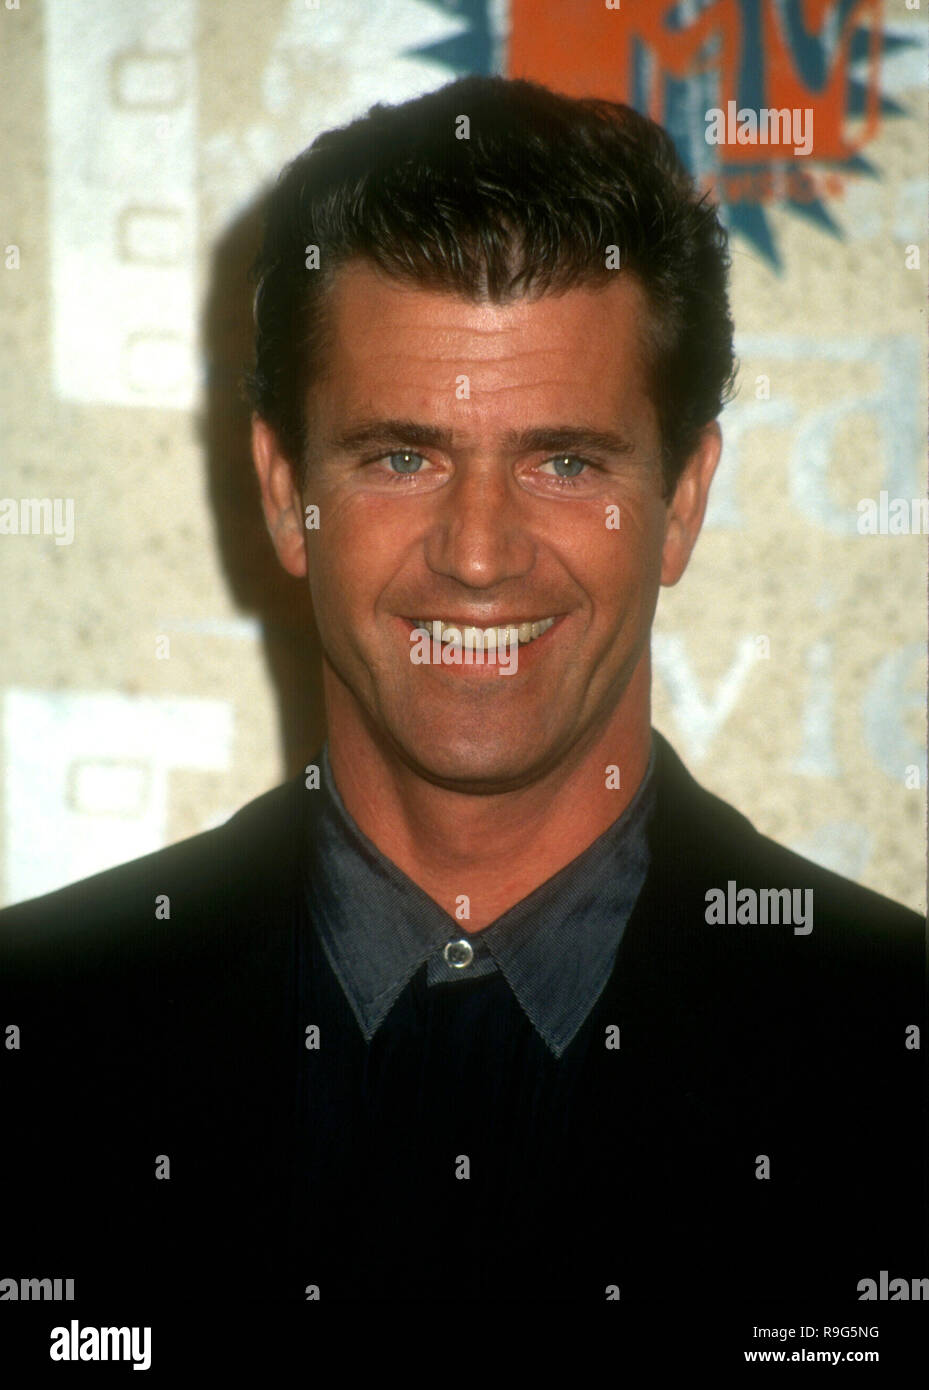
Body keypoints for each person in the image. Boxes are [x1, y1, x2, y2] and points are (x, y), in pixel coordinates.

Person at [1, 76, 924, 1310]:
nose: (478, 552)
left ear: (681, 503)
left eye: (560, 460)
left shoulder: (895, 1057)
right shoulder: (40, 1042)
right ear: (286, 493)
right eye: (400, 456)